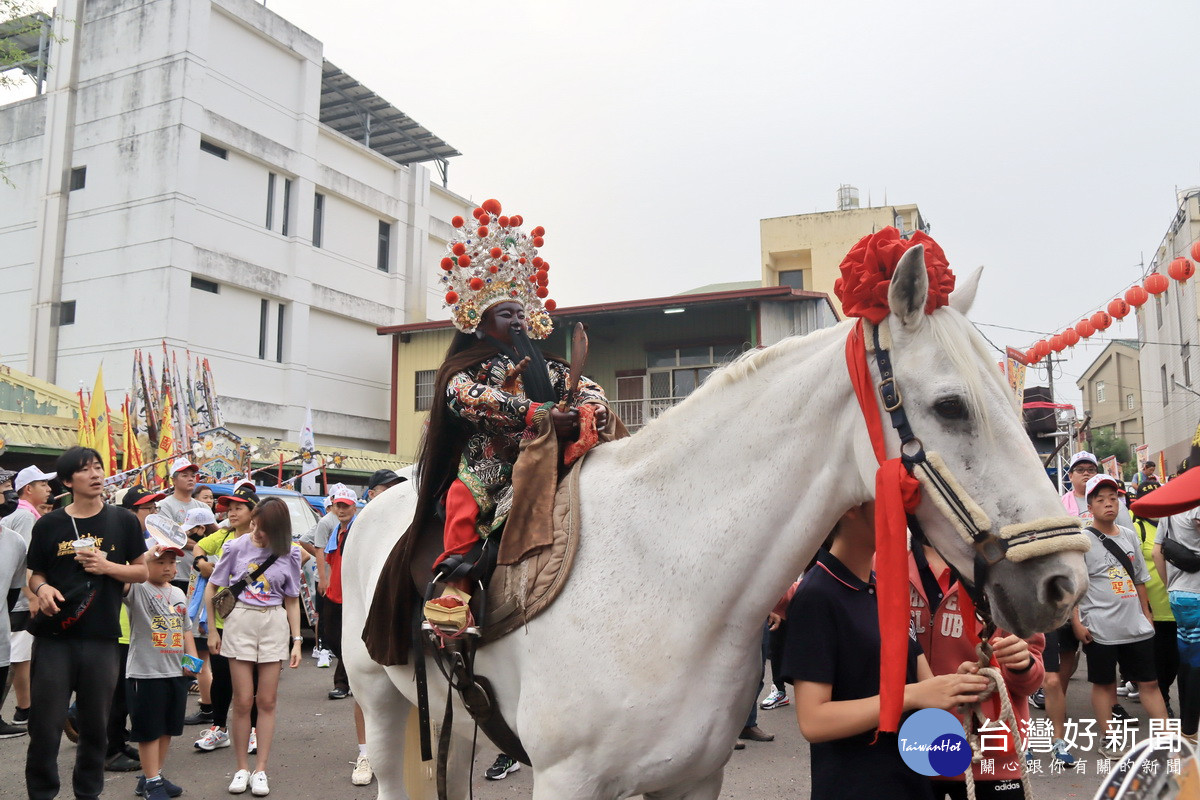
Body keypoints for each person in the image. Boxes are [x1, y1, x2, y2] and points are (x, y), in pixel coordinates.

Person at [781, 504, 991, 800]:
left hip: (910, 782)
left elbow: (923, 685)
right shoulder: (817, 595)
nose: (901, 516)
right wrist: (912, 695)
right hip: (854, 787)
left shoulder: (885, 588)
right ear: (850, 508)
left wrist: (955, 684)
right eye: (888, 498)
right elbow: (814, 721)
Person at [24, 446, 148, 800]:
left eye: (98, 467)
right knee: (45, 729)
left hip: (102, 639)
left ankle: (87, 793)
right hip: (54, 640)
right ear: (67, 480)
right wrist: (43, 588)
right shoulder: (50, 524)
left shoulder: (122, 521)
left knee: (96, 729)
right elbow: (36, 573)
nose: (96, 474)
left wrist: (107, 567)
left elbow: (141, 571)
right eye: (85, 470)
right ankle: (42, 793)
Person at [909, 536, 1045, 799]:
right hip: (913, 748)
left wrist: (1022, 663)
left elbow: (1031, 682)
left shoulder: (1009, 569)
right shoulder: (884, 567)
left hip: (990, 756)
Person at [206, 496, 303, 797]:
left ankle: (260, 769)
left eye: (264, 530)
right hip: (240, 621)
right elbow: (213, 587)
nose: (257, 534)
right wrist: (212, 630)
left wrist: (297, 640)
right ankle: (241, 768)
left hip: (274, 622)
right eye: (255, 526)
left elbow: (291, 599)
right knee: (243, 700)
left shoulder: (290, 554)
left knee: (268, 701)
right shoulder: (235, 547)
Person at [1073, 474, 1168, 759]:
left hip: (1134, 624)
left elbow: (1140, 578)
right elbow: (1074, 586)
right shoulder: (1082, 541)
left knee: (1149, 683)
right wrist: (1076, 622)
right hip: (1099, 626)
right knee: (1105, 685)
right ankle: (1110, 739)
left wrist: (1146, 613)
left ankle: (1166, 739)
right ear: (1089, 506)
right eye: (1100, 500)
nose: (1108, 504)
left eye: (1113, 498)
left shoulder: (1128, 536)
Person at [125, 542, 199, 800]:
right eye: (160, 562)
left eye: (171, 562)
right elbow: (123, 578)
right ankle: (153, 783)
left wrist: (192, 659)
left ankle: (151, 776)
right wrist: (144, 556)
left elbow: (185, 628)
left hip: (174, 673)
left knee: (168, 727)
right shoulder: (138, 589)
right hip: (146, 674)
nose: (167, 568)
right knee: (149, 730)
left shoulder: (178, 593)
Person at [191, 484, 256, 754]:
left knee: (252, 681)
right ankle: (220, 728)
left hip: (253, 621)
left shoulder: (265, 539)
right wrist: (202, 563)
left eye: (238, 508)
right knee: (221, 677)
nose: (231, 513)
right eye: (229, 508)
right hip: (221, 620)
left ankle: (253, 731)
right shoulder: (223, 536)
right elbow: (198, 550)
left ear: (254, 512)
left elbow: (301, 555)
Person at [320, 486, 373, 785]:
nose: (341, 509)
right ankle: (366, 751)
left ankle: (370, 752)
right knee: (334, 642)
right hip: (337, 598)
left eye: (346, 505)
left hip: (357, 601)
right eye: (337, 505)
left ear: (355, 506)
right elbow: (327, 559)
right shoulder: (334, 532)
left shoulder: (362, 529)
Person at [4, 464, 55, 735]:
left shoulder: (24, 513)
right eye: (43, 484)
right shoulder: (24, 516)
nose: (48, 489)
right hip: (24, 598)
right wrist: (33, 596)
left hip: (20, 595)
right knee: (20, 656)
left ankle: (25, 707)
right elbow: (24, 562)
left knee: (18, 656)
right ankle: (24, 709)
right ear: (28, 489)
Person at [1128, 482, 1178, 715]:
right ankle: (1162, 697)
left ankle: (1164, 690)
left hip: (1176, 601)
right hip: (1149, 604)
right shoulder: (1135, 526)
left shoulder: (1175, 521)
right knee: (1156, 655)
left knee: (1174, 657)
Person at [181, 506, 219, 727]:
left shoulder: (209, 551)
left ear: (201, 528)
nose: (187, 535)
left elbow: (207, 587)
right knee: (202, 662)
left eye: (190, 529)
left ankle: (208, 707)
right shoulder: (215, 545)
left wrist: (204, 620)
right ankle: (210, 705)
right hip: (200, 612)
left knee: (200, 662)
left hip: (202, 615)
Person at [0, 519, 27, 738]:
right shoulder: (25, 519)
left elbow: (14, 588)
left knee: (3, 667)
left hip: (1, 626)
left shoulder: (14, 541)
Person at [158, 458, 206, 526]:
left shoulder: (202, 507)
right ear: (174, 480)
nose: (190, 479)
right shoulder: (164, 506)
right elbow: (168, 534)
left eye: (193, 476)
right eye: (185, 476)